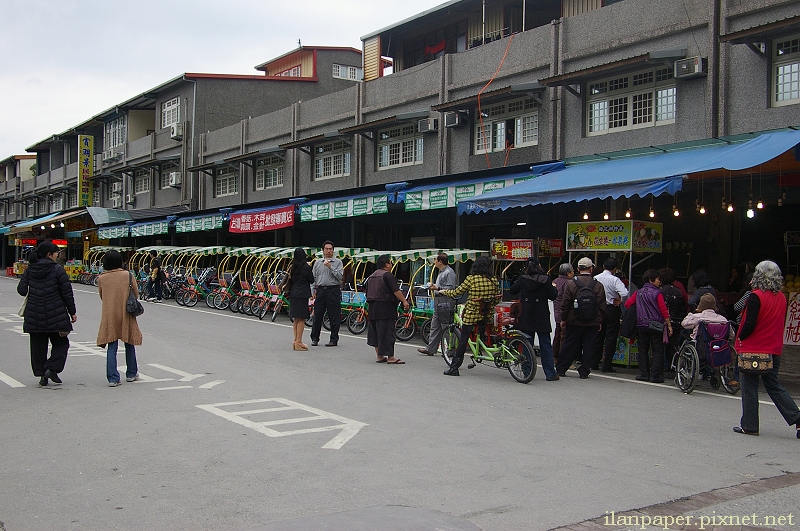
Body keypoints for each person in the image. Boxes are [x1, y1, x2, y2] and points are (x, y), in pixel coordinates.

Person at [732, 260, 800, 438]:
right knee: (773, 385)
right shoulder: (782, 298)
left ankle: (750, 425)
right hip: (774, 348)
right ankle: (797, 418)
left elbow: (749, 323)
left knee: (749, 386)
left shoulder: (756, 296)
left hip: (754, 348)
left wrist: (740, 336)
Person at [16, 241, 77, 386]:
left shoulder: (30, 270)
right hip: (56, 314)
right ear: (49, 254)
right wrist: (72, 312)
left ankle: (42, 374)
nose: (57, 255)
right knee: (61, 343)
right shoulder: (58, 270)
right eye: (56, 253)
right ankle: (51, 368)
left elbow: (21, 290)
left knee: (38, 346)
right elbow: (67, 293)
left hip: (34, 314)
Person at [436, 256, 500, 377]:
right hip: (487, 314)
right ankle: (479, 350)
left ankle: (454, 367)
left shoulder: (471, 279)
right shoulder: (493, 280)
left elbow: (457, 292)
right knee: (480, 331)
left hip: (472, 315)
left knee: (463, 339)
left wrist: (443, 291)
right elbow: (497, 298)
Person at [96, 249, 143, 387]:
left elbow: (102, 296)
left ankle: (112, 378)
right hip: (126, 313)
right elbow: (136, 293)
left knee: (112, 344)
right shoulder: (127, 275)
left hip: (109, 314)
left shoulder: (101, 278)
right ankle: (131, 373)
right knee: (129, 342)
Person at [510, 258, 559, 381]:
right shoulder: (546, 279)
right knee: (546, 345)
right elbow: (553, 296)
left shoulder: (523, 278)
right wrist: (554, 287)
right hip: (541, 315)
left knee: (527, 344)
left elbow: (513, 290)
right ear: (539, 266)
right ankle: (550, 374)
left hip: (526, 315)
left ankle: (527, 371)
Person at [556, 257, 606, 379]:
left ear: (578, 269)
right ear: (591, 269)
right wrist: (599, 320)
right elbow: (602, 305)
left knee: (569, 344)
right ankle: (584, 371)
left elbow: (565, 303)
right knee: (589, 345)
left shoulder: (571, 283)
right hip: (592, 321)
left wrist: (563, 318)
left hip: (574, 320)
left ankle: (561, 368)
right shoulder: (598, 285)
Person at [624, 269, 671, 383]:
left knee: (643, 350)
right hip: (656, 324)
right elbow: (663, 309)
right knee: (657, 350)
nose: (659, 281)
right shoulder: (657, 293)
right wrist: (669, 324)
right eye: (658, 279)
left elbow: (627, 304)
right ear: (651, 280)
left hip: (641, 324)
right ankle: (655, 375)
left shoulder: (638, 292)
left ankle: (644, 374)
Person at [366, 254, 409, 364]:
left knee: (375, 332)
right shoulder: (387, 275)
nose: (391, 264)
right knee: (387, 332)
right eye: (390, 262)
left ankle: (379, 356)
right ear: (386, 265)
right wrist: (404, 301)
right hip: (385, 308)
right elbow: (396, 291)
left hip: (372, 308)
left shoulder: (371, 276)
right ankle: (390, 357)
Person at [593, 257, 629, 373]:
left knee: (598, 336)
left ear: (603, 266)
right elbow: (624, 293)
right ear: (615, 269)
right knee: (611, 337)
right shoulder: (615, 280)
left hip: (598, 309)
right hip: (612, 309)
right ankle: (606, 364)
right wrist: (620, 300)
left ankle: (594, 362)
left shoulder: (595, 278)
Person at [417, 252, 457, 356]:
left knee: (446, 325)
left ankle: (451, 349)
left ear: (440, 261)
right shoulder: (441, 272)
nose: (434, 262)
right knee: (435, 325)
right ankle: (431, 348)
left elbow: (451, 288)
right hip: (438, 300)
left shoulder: (449, 272)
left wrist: (437, 288)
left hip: (446, 300)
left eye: (435, 260)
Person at [310, 240, 343, 347]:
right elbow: (313, 278)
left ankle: (334, 339)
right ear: (323, 250)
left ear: (333, 251)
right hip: (320, 291)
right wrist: (312, 291)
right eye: (326, 249)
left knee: (334, 316)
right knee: (317, 315)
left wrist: (330, 267)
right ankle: (315, 338)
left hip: (333, 290)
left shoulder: (338, 262)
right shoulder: (317, 263)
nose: (328, 251)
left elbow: (340, 276)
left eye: (330, 249)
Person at [285, 248, 315, 351]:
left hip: (293, 294)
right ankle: (299, 341)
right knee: (302, 318)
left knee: (296, 319)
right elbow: (312, 280)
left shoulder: (292, 267)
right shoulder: (306, 267)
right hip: (302, 295)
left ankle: (295, 340)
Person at [659, 267, 688, 372]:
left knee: (659, 346)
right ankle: (673, 368)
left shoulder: (660, 291)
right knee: (673, 346)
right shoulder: (678, 290)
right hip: (677, 322)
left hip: (663, 322)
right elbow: (684, 305)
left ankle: (660, 368)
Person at [552, 263, 574, 363]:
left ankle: (554, 356)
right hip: (566, 312)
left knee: (557, 335)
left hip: (556, 311)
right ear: (568, 273)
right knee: (564, 336)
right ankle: (563, 359)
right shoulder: (569, 283)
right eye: (573, 271)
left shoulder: (555, 281)